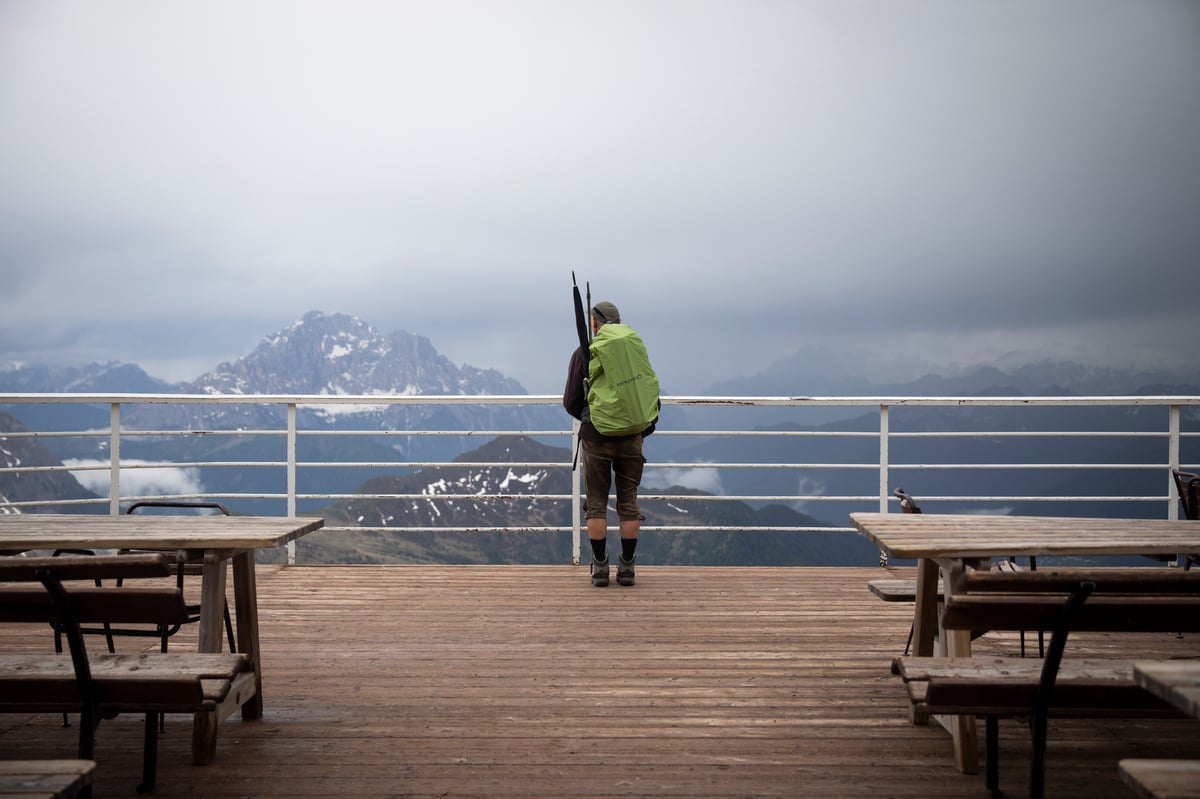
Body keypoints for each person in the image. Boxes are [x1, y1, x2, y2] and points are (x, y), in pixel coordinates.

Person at [563, 300, 659, 587]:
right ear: (619, 322)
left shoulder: (585, 353)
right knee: (628, 503)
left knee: (596, 504)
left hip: (597, 438)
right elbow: (646, 391)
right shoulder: (633, 350)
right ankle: (627, 568)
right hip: (632, 436)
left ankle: (601, 567)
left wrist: (591, 415)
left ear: (595, 324)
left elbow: (571, 401)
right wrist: (640, 428)